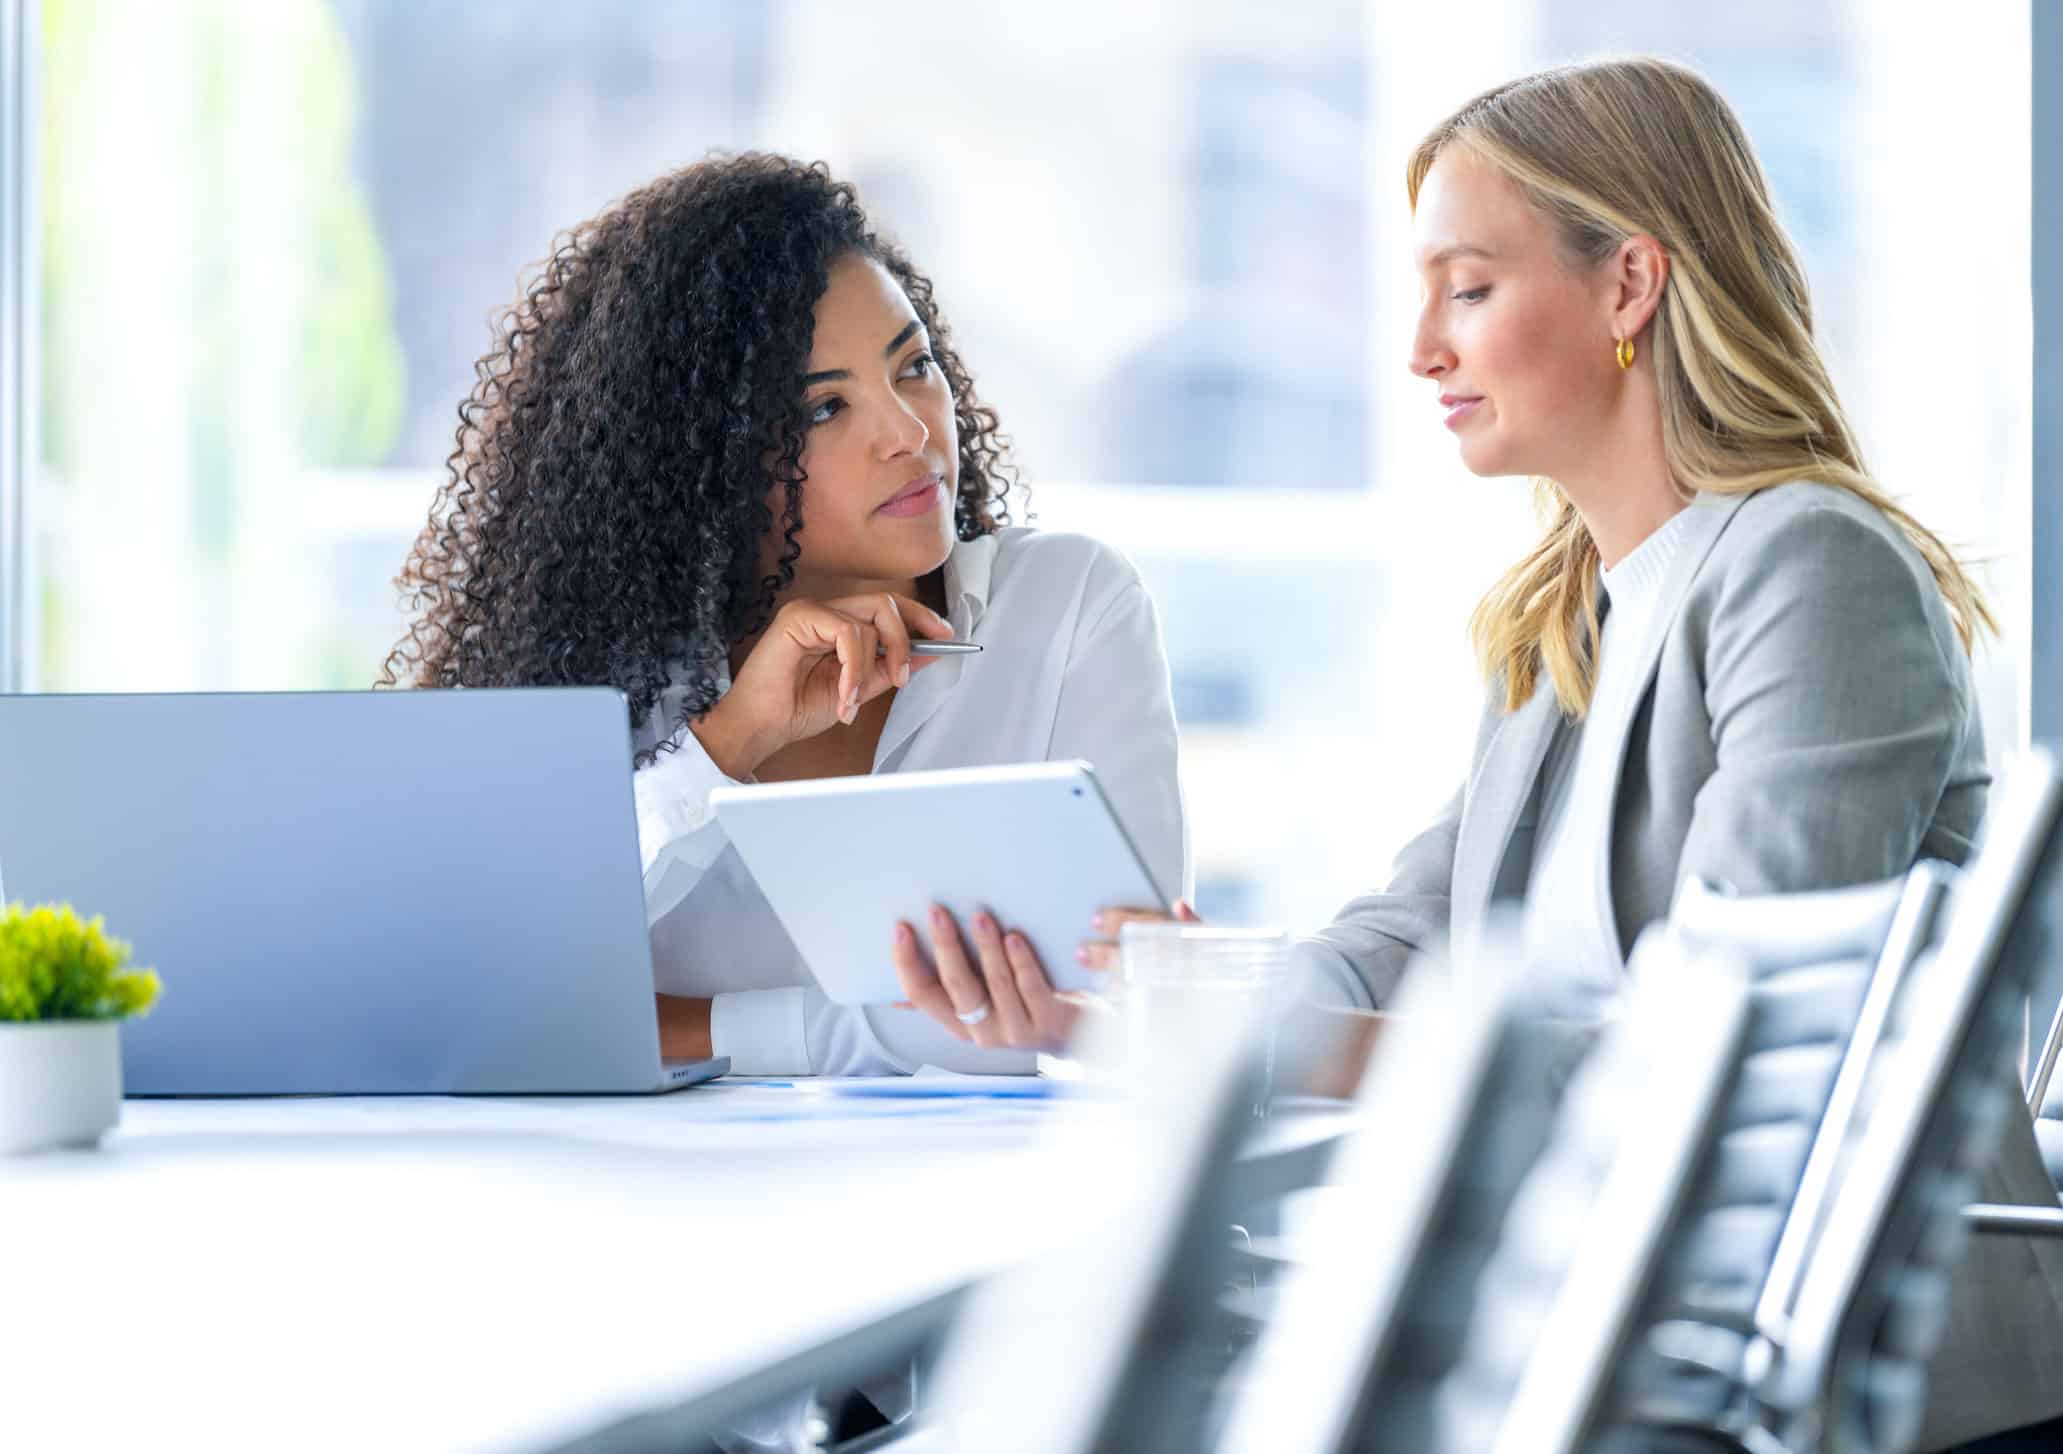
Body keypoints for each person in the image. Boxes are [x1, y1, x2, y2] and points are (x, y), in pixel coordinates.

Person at [885, 59, 2063, 1446]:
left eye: (1467, 287)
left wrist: (1253, 1045)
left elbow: (1706, 1065)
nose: (1417, 351)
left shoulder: (1807, 567)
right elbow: (1403, 928)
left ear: (1628, 286)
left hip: (1804, 1361)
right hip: (1613, 1312)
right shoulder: (1569, 614)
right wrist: (1151, 994)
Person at [380, 154, 1185, 1077]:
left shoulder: (1068, 609)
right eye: (823, 409)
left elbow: (1132, 1011)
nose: (911, 432)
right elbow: (472, 991)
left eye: (913, 365)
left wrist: (693, 1030)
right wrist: (726, 744)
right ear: (696, 462)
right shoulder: (598, 660)